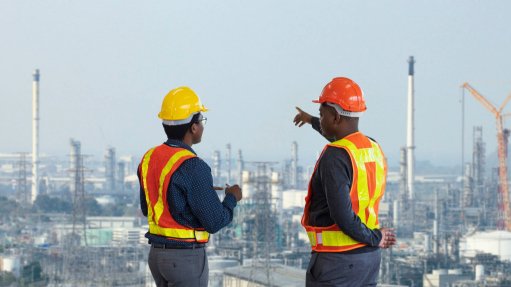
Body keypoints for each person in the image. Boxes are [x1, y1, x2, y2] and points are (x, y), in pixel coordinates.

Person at [294, 77, 396, 286]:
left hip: (338, 263)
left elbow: (343, 216)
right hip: (368, 260)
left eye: (322, 115)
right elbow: (339, 139)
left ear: (336, 116)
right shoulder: (372, 147)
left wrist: (377, 237)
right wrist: (310, 119)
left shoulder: (334, 156)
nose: (320, 120)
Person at [138, 86, 242, 287]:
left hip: (157, 256)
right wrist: (231, 197)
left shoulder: (149, 158)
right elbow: (215, 221)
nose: (202, 126)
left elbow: (148, 206)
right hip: (184, 259)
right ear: (193, 127)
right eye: (201, 120)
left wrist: (194, 194)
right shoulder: (193, 166)